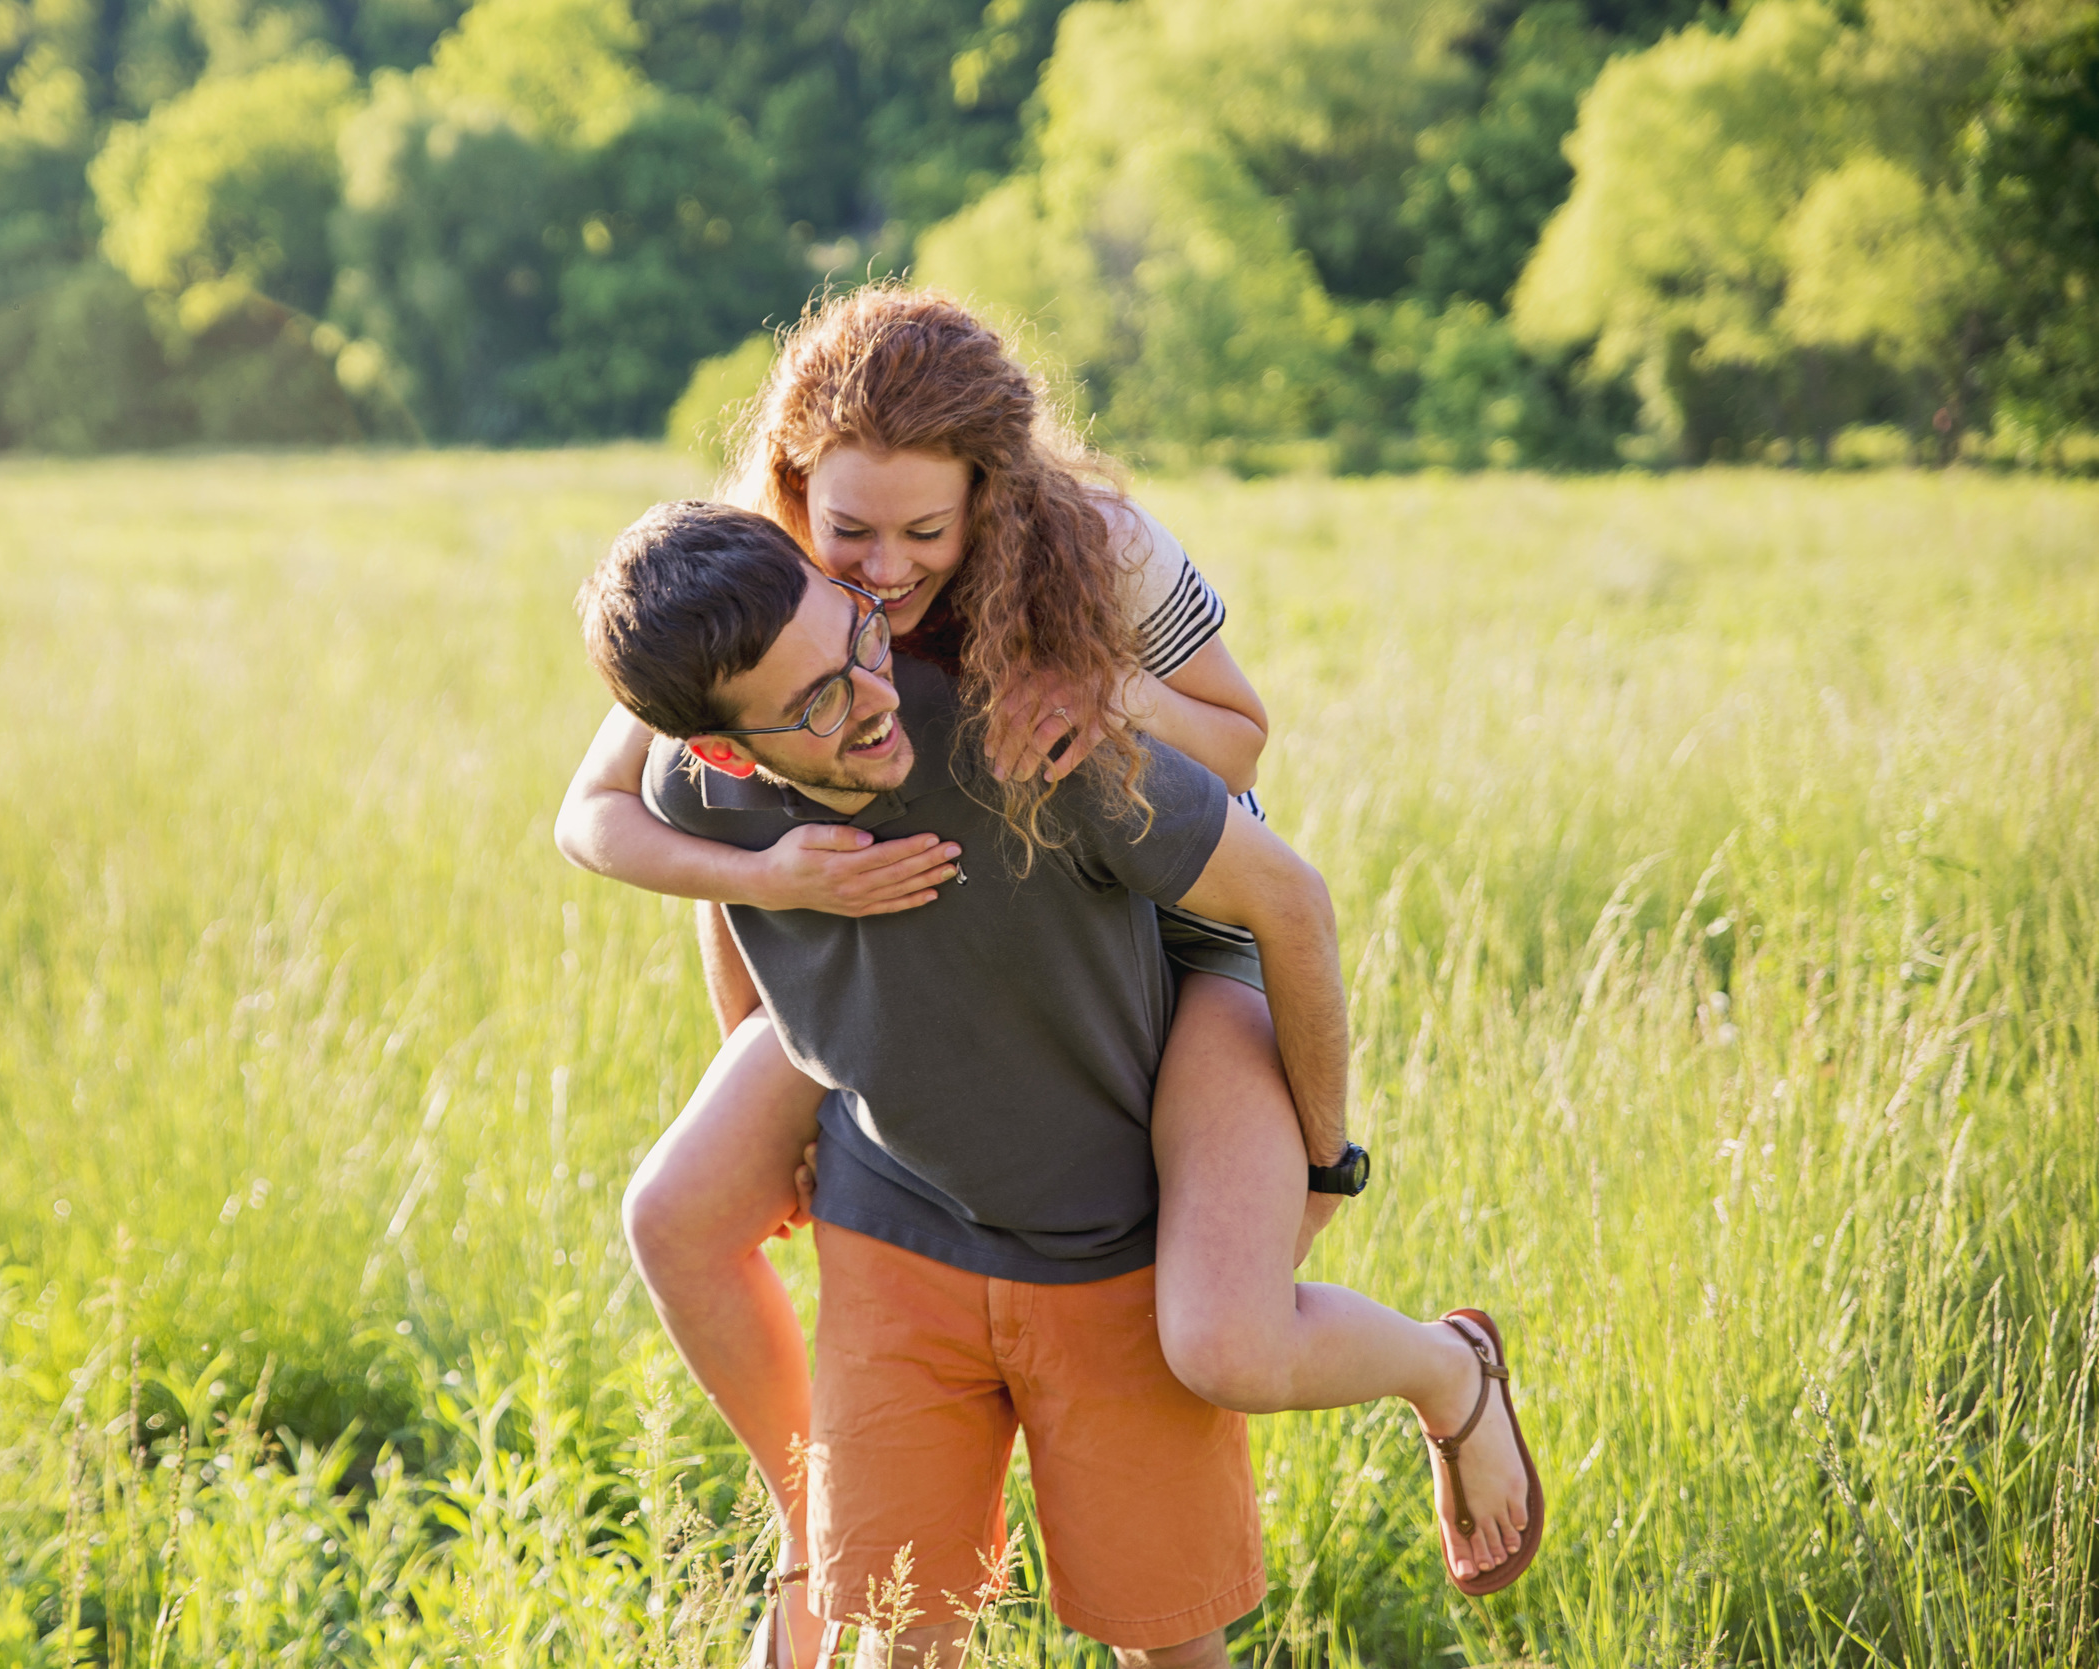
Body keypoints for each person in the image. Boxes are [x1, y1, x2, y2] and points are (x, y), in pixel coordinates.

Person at [557, 291, 1540, 1661]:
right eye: (852, 534)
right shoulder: (761, 596)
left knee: (1223, 1335)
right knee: (674, 1207)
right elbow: (651, 821)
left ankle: (1449, 1370)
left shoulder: (1096, 561)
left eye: (921, 535)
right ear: (796, 490)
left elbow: (1247, 760)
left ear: (988, 500)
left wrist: (1090, 683)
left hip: (1164, 908)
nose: (883, 573)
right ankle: (813, 1514)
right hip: (893, 926)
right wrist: (782, 981)